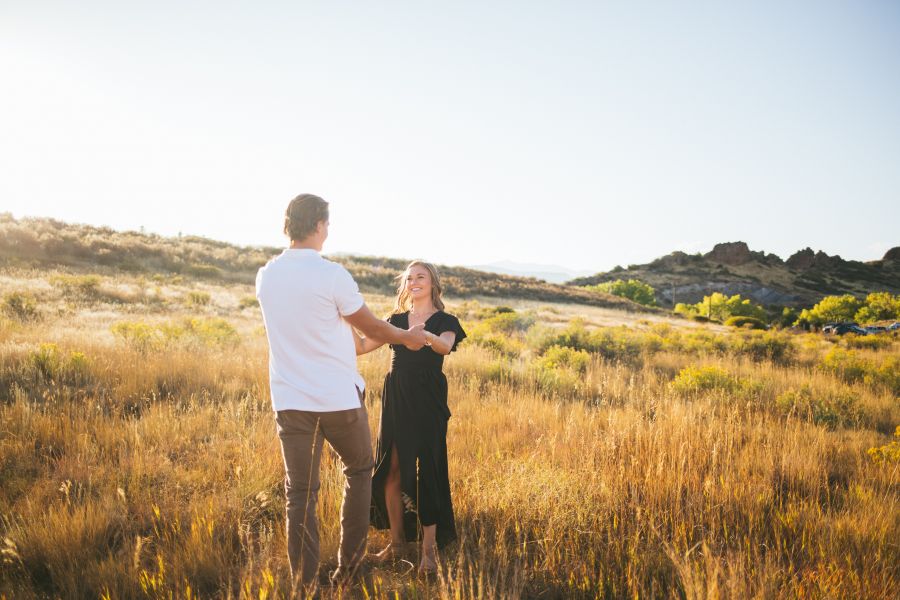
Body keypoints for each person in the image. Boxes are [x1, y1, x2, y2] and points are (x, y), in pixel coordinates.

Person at [255, 194, 429, 593]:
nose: (328, 230)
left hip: (290, 402)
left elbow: (331, 331)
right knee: (358, 472)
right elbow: (373, 327)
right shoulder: (331, 275)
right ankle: (347, 570)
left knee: (299, 493)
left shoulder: (267, 275)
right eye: (327, 224)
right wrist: (408, 337)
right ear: (318, 224)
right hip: (338, 401)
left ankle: (304, 584)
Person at [352, 260, 467, 574]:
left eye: (421, 277)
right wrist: (342, 317)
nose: (415, 281)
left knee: (427, 469)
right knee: (390, 470)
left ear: (433, 284)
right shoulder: (396, 320)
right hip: (397, 399)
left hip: (427, 401)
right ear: (404, 285)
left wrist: (421, 334)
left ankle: (429, 553)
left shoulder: (446, 320)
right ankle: (397, 543)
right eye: (410, 278)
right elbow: (362, 346)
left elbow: (444, 346)